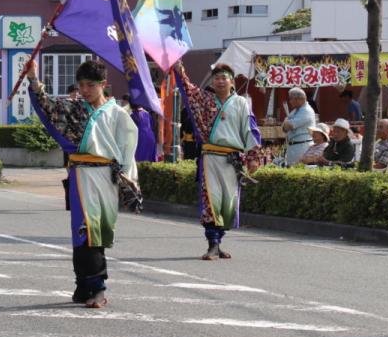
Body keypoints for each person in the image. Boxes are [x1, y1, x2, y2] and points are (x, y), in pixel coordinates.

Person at [26, 58, 139, 308]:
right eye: (82, 85)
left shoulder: (118, 114)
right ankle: (94, 286)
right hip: (81, 176)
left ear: (103, 84)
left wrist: (128, 182)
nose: (85, 90)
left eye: (91, 85)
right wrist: (33, 78)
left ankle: (86, 285)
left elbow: (128, 150)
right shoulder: (73, 108)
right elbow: (47, 104)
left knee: (95, 232)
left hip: (107, 177)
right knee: (85, 232)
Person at [173, 60, 261, 261]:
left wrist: (253, 157)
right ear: (212, 82)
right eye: (216, 78)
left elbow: (250, 130)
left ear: (232, 82)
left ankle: (219, 242)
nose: (220, 82)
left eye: (224, 78)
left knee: (228, 204)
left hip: (232, 160)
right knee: (211, 201)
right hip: (210, 158)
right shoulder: (204, 99)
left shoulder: (241, 103)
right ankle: (212, 243)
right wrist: (180, 69)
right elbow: (188, 89)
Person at [117, 94, 160, 163]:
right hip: (150, 139)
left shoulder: (131, 116)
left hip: (139, 140)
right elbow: (152, 126)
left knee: (138, 162)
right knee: (149, 162)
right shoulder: (147, 114)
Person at [281, 88, 316, 165]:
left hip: (302, 146)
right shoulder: (295, 111)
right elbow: (284, 127)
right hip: (294, 146)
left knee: (300, 170)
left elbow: (289, 126)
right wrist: (286, 123)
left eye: (291, 99)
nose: (290, 101)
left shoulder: (306, 111)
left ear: (299, 99)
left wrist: (286, 122)